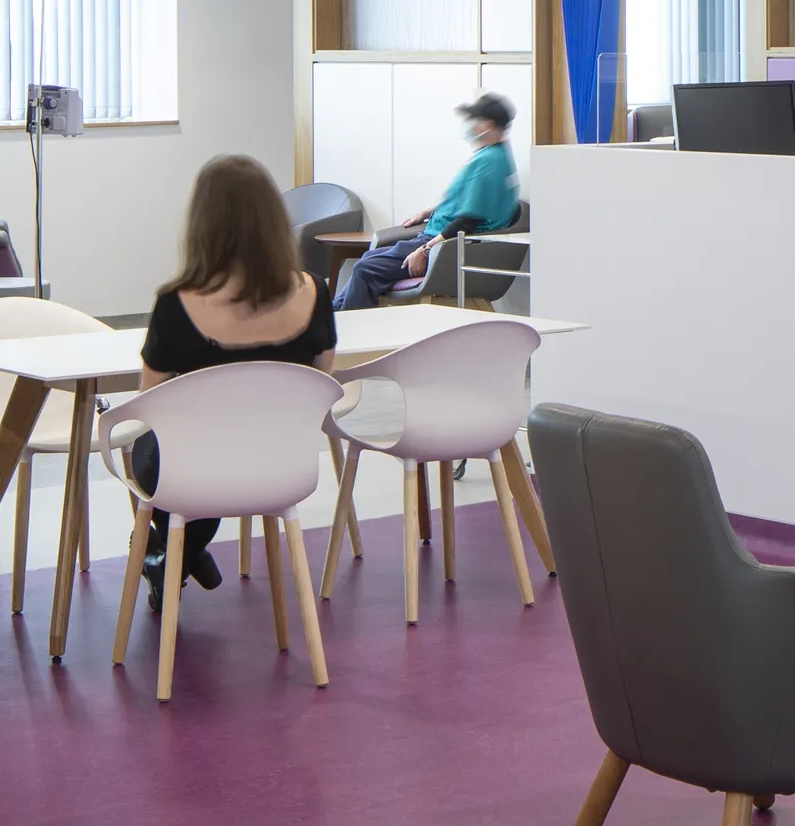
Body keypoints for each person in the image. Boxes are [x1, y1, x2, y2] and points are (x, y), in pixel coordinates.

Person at [135, 152, 338, 610]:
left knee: (155, 452)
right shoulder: (315, 292)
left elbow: (150, 401)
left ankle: (171, 553)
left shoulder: (175, 303)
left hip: (194, 467)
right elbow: (322, 377)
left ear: (202, 223)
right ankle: (178, 555)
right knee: (210, 456)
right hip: (280, 462)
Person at [337, 91, 520, 310]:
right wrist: (427, 212)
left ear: (486, 126)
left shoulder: (488, 163)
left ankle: (347, 330)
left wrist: (424, 251)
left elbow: (468, 221)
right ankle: (334, 319)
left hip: (445, 249)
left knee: (366, 269)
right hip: (439, 240)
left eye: (474, 120)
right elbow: (467, 199)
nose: (470, 126)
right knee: (369, 259)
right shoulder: (497, 156)